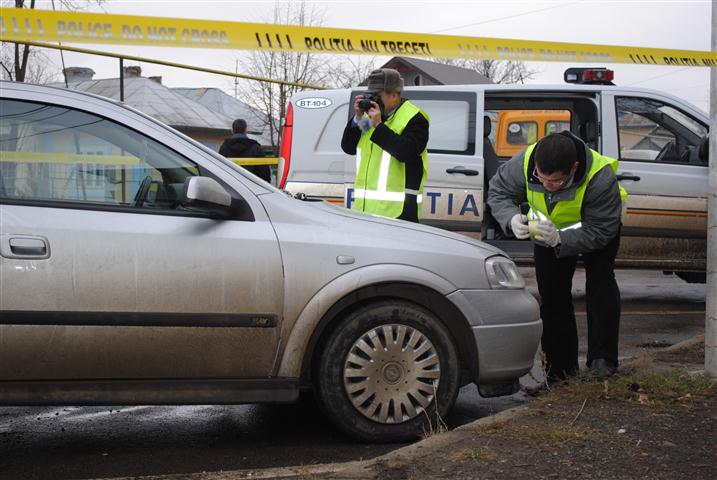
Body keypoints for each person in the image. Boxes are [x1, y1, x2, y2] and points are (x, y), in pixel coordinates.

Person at [487, 131, 627, 382]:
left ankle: (602, 361)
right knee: (552, 296)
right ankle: (560, 373)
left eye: (556, 182)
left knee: (600, 286)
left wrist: (562, 239)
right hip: (548, 231)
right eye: (542, 179)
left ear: (573, 168)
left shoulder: (599, 177)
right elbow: (498, 191)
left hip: (595, 229)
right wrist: (509, 218)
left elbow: (601, 230)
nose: (547, 187)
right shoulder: (525, 162)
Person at [341, 68, 429, 223]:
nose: (373, 100)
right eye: (370, 95)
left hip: (399, 212)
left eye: (378, 96)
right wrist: (357, 117)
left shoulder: (415, 118)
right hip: (365, 211)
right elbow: (348, 147)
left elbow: (406, 152)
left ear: (394, 95)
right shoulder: (369, 118)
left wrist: (379, 126)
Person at [219, 119, 271, 183]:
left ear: (232, 131)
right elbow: (264, 173)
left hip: (230, 186)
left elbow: (220, 170)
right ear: (246, 130)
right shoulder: (255, 148)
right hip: (252, 188)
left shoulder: (224, 148)